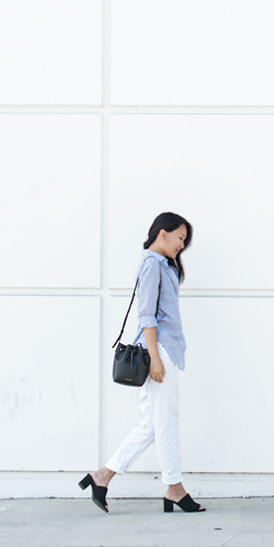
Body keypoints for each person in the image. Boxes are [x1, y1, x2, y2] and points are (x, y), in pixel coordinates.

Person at [78, 212, 205, 513]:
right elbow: (146, 316)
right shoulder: (151, 265)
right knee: (166, 424)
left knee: (151, 424)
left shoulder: (161, 265)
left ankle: (102, 476)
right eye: (180, 238)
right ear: (163, 233)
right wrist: (157, 359)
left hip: (162, 350)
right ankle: (174, 488)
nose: (181, 246)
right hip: (159, 350)